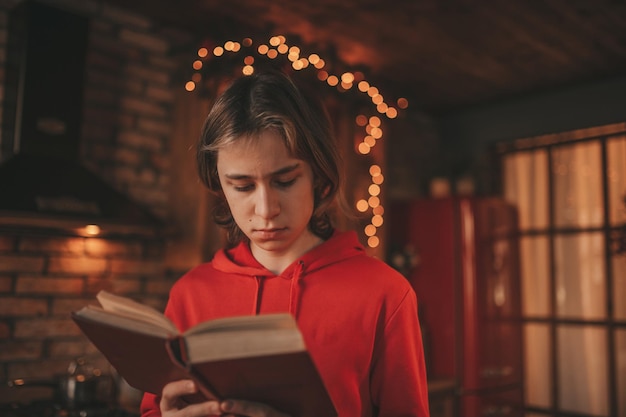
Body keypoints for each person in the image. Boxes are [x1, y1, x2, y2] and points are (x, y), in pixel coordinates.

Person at [140, 70, 430, 417]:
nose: (266, 210)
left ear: (319, 177)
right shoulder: (189, 292)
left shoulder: (386, 293)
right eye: (243, 186)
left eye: (285, 181)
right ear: (219, 185)